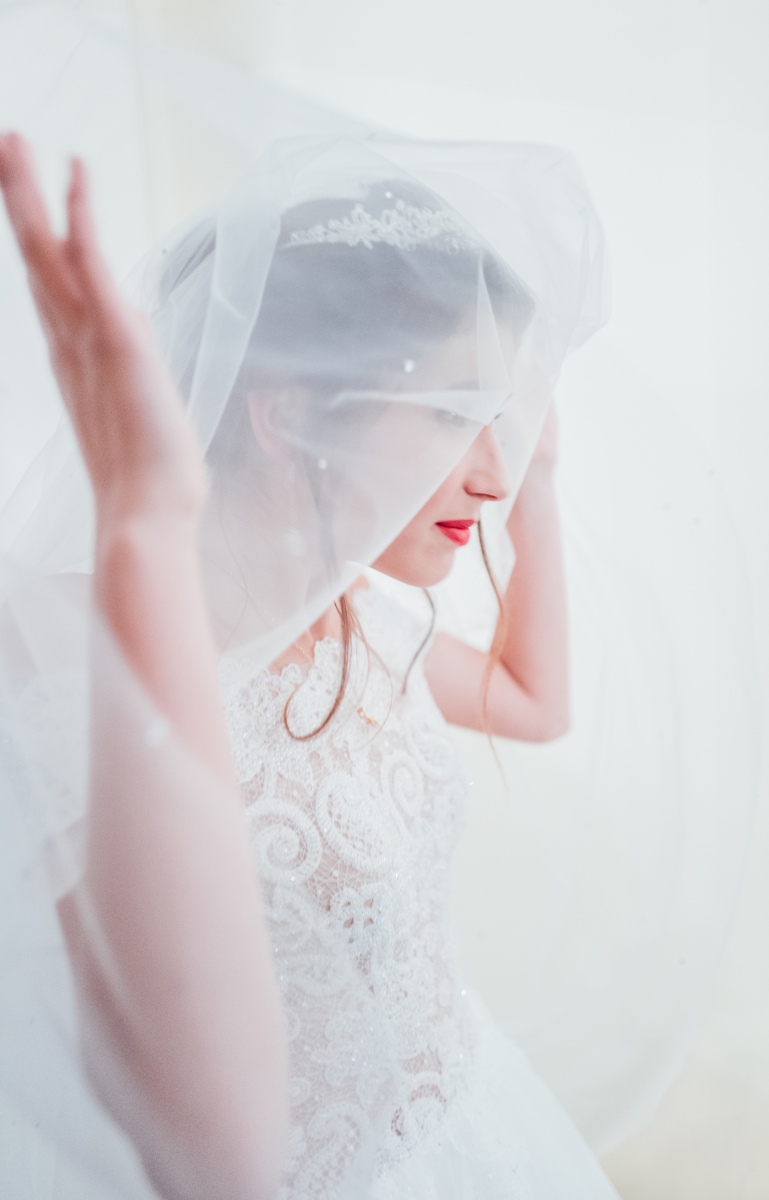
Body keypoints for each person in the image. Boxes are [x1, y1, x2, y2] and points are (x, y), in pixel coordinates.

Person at [0, 125, 623, 1200]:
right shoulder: (61, 648)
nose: (491, 469)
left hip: (470, 1131)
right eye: (454, 414)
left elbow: (534, 702)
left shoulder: (351, 615)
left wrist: (540, 483)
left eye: (500, 420)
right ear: (289, 416)